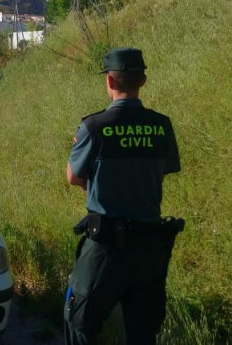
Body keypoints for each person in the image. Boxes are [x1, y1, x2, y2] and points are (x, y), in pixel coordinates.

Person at [63, 47, 182, 345]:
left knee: (79, 320)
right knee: (143, 332)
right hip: (151, 246)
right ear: (143, 81)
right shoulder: (161, 126)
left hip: (106, 247)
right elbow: (163, 170)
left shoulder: (94, 126)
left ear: (110, 82)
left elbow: (73, 176)